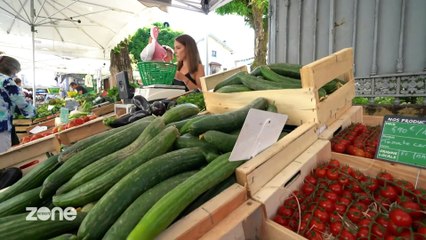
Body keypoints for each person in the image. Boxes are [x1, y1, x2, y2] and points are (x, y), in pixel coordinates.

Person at [0, 55, 36, 153]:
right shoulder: (6, 81)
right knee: (3, 158)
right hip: (1, 125)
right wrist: (32, 112)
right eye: (16, 72)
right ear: (12, 69)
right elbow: (22, 103)